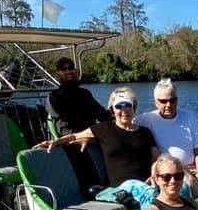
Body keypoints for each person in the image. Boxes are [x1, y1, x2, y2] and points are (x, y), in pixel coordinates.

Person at [35, 87, 159, 186]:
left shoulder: (145, 132)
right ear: (112, 110)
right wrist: (55, 142)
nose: (124, 110)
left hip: (148, 184)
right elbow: (74, 136)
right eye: (119, 106)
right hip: (122, 188)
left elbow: (155, 159)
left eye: (128, 105)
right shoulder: (103, 129)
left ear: (134, 108)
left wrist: (154, 175)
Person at [136, 78, 198, 196]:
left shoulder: (188, 116)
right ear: (155, 102)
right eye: (163, 101)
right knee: (192, 185)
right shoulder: (145, 119)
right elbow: (124, 123)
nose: (168, 105)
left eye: (172, 100)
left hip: (195, 166)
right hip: (173, 170)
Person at [45, 56, 110, 191]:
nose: (68, 71)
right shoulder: (53, 96)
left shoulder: (85, 93)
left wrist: (117, 119)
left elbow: (102, 115)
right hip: (70, 139)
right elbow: (64, 120)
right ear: (58, 73)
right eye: (64, 69)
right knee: (80, 151)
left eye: (71, 68)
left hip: (91, 135)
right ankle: (90, 189)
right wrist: (82, 136)